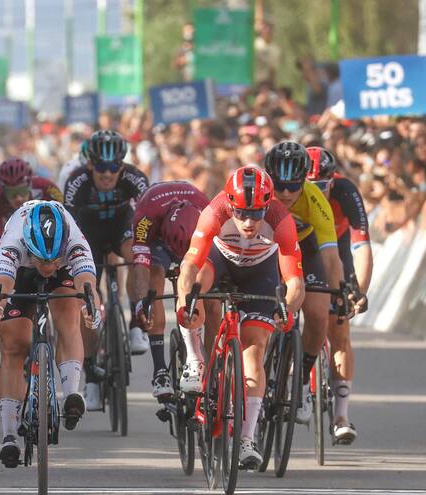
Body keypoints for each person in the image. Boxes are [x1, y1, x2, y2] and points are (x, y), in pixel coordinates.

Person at [176, 166, 305, 469]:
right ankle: (195, 361)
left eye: (257, 213)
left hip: (260, 273)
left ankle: (247, 438)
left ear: (268, 206)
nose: (249, 222)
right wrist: (186, 303)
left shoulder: (280, 220)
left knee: (254, 350)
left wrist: (287, 308)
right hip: (219, 262)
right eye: (243, 213)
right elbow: (189, 266)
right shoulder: (215, 211)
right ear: (231, 205)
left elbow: (295, 283)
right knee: (195, 292)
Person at [0, 200, 101, 466]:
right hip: (22, 272)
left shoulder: (73, 240)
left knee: (69, 316)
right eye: (42, 260)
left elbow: (86, 281)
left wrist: (91, 304)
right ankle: (9, 434)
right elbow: (2, 284)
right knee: (14, 346)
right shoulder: (14, 242)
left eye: (54, 260)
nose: (48, 266)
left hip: (65, 273)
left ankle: (72, 392)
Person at [63, 130, 149, 411]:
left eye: (114, 167)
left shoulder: (134, 178)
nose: (108, 173)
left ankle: (137, 321)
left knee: (138, 254)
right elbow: (69, 227)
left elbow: (148, 216)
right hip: (87, 235)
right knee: (87, 300)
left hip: (121, 228)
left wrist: (148, 244)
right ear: (90, 165)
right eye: (101, 166)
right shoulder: (77, 181)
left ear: (122, 166)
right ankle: (90, 375)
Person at [263, 141, 344, 425]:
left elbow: (331, 257)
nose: (285, 193)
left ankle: (300, 382)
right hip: (267, 249)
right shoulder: (259, 193)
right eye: (279, 185)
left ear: (304, 181)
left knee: (320, 313)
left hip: (304, 247)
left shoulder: (314, 198)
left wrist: (340, 292)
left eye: (293, 186)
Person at [308, 146, 373, 444]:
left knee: (339, 327)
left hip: (337, 247)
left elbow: (362, 248)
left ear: (332, 180)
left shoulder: (346, 191)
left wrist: (358, 291)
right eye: (311, 187)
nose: (317, 193)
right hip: (301, 246)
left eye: (322, 186)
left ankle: (341, 416)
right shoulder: (287, 192)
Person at [127, 181, 210, 399]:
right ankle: (160, 371)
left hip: (194, 242)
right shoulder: (146, 215)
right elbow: (140, 265)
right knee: (154, 277)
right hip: (157, 241)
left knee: (202, 288)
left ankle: (206, 360)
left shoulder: (207, 210)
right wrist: (142, 303)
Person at [0, 158, 62, 254]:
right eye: (11, 193)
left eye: (22, 190)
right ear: (3, 191)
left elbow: (67, 220)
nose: (18, 198)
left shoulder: (47, 188)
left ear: (30, 185)